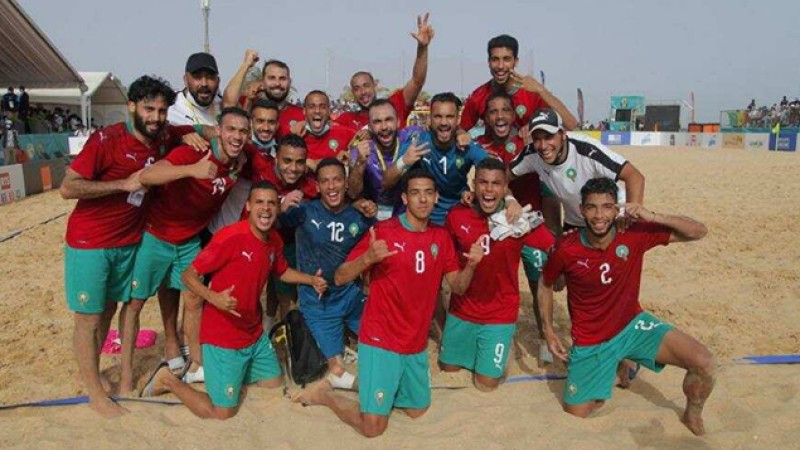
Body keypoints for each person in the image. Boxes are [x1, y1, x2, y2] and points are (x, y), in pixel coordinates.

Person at [293, 169, 483, 437]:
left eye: (429, 193)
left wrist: (472, 265)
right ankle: (326, 395)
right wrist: (367, 259)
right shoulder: (383, 231)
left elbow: (459, 287)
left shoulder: (440, 237)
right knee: (373, 428)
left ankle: (373, 387)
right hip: (380, 339)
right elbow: (339, 276)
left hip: (414, 344)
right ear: (404, 198)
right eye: (415, 193)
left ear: (437, 197)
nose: (423, 200)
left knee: (417, 412)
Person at [59, 75, 194, 417]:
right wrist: (123, 184)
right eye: (149, 108)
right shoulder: (105, 141)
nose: (156, 117)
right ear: (131, 106)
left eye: (162, 111)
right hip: (90, 243)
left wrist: (196, 132)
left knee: (105, 312)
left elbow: (179, 132)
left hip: (128, 242)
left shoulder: (162, 137)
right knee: (88, 319)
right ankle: (94, 393)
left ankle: (98, 376)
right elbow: (68, 188)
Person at [538, 177, 715, 435]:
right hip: (591, 340)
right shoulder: (566, 247)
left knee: (705, 363)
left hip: (632, 325)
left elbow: (698, 232)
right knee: (576, 414)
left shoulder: (633, 233)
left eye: (607, 207)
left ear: (617, 208)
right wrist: (549, 330)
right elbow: (545, 283)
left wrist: (652, 215)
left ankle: (692, 414)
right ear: (581, 210)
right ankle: (621, 363)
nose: (600, 215)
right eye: (592, 207)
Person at [140, 181, 328, 420]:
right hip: (223, 337)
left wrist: (310, 279)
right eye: (259, 202)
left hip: (253, 334)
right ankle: (168, 379)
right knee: (222, 412)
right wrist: (213, 298)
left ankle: (228, 374)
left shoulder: (274, 240)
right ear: (248, 206)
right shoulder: (230, 237)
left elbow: (280, 271)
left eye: (272, 203)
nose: (266, 208)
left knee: (273, 382)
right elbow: (189, 275)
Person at [119, 107, 251, 394]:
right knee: (135, 304)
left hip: (190, 239)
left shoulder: (240, 160)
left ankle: (196, 365)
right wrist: (192, 170)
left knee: (194, 300)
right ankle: (127, 375)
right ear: (218, 129)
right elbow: (148, 175)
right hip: (155, 235)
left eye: (243, 131)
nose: (237, 136)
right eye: (231, 129)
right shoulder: (196, 151)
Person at [440, 158, 554, 390]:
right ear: (473, 185)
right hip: (462, 310)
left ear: (505, 188)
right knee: (448, 368)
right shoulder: (457, 216)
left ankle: (502, 343)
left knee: (486, 384)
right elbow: (446, 259)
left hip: (498, 313)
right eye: (483, 182)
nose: (489, 189)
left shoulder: (519, 220)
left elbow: (556, 249)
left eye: (496, 184)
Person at [280, 158, 376, 388]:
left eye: (336, 180)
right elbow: (273, 223)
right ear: (317, 187)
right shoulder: (304, 212)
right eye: (325, 181)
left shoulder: (359, 216)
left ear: (345, 184)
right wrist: (282, 205)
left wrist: (364, 204)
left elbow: (372, 248)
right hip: (318, 302)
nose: (331, 187)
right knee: (337, 370)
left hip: (351, 296)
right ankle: (366, 389)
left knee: (383, 343)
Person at [384, 92, 514, 226]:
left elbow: (498, 176)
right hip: (423, 217)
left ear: (458, 120)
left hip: (458, 214)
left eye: (449, 117)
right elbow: (386, 183)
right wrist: (403, 162)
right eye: (438, 116)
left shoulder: (467, 146)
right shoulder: (419, 142)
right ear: (430, 119)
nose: (444, 122)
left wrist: (510, 200)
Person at [511, 108, 645, 235]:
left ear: (562, 134)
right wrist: (509, 200)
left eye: (548, 137)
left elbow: (634, 176)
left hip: (609, 220)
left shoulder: (586, 149)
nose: (543, 145)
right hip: (575, 222)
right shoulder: (531, 154)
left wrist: (628, 216)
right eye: (536, 139)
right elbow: (502, 177)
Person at [334, 13, 434, 131]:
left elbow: (417, 81)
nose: (362, 92)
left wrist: (422, 48)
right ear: (352, 93)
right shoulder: (345, 120)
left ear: (375, 86)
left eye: (366, 86)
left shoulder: (395, 104)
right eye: (357, 88)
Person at [459, 35, 577, 133]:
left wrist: (541, 90)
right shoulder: (479, 96)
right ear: (489, 62)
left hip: (531, 158)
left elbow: (572, 126)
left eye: (506, 59)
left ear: (516, 61)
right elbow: (460, 130)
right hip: (495, 159)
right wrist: (462, 136)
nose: (500, 66)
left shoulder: (532, 92)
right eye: (495, 59)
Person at [347, 99, 422, 221]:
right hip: (376, 220)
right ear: (370, 127)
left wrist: (460, 133)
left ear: (398, 122)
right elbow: (353, 194)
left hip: (410, 220)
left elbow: (440, 130)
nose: (384, 127)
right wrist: (360, 163)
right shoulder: (360, 150)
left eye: (389, 119)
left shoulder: (413, 137)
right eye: (377, 122)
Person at [294, 90, 356, 172]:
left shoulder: (344, 133)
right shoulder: (295, 136)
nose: (317, 111)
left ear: (329, 111)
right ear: (304, 111)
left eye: (323, 107)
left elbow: (365, 139)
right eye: (312, 107)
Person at [168, 52, 222, 126]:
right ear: (186, 80)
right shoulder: (171, 107)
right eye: (197, 77)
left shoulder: (223, 105)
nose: (204, 84)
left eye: (210, 77)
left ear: (218, 81)